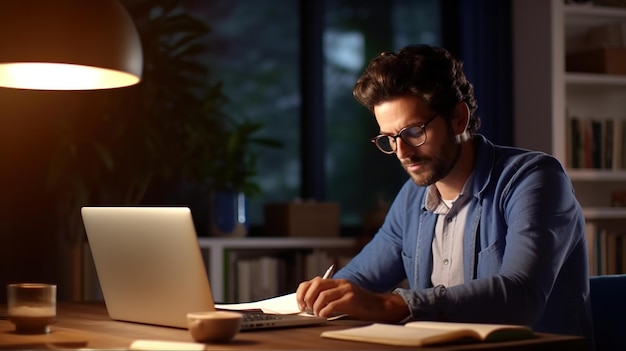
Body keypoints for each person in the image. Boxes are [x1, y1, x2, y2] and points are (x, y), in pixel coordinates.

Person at [295, 45, 594, 346]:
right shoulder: (413, 197)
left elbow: (521, 297)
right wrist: (324, 295)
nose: (402, 153)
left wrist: (391, 306)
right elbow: (357, 282)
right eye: (389, 139)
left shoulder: (534, 179)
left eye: (413, 132)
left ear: (458, 119)